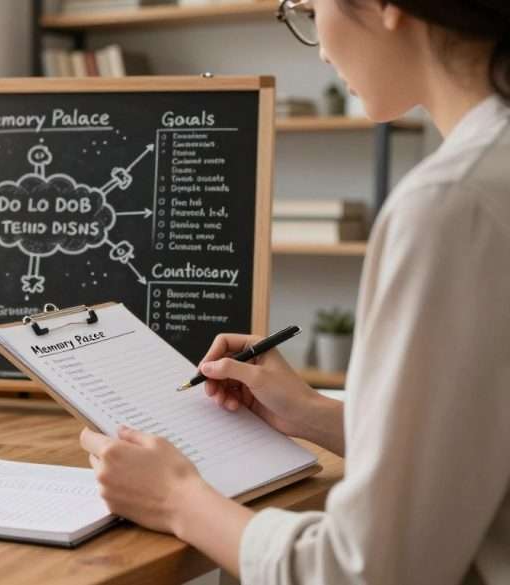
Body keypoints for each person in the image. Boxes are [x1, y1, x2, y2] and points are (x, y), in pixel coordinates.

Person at [79, 1, 510, 583]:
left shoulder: (451, 204)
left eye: (308, 7)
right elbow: (477, 448)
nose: (320, 44)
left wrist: (177, 499)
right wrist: (312, 414)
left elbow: (368, 571)